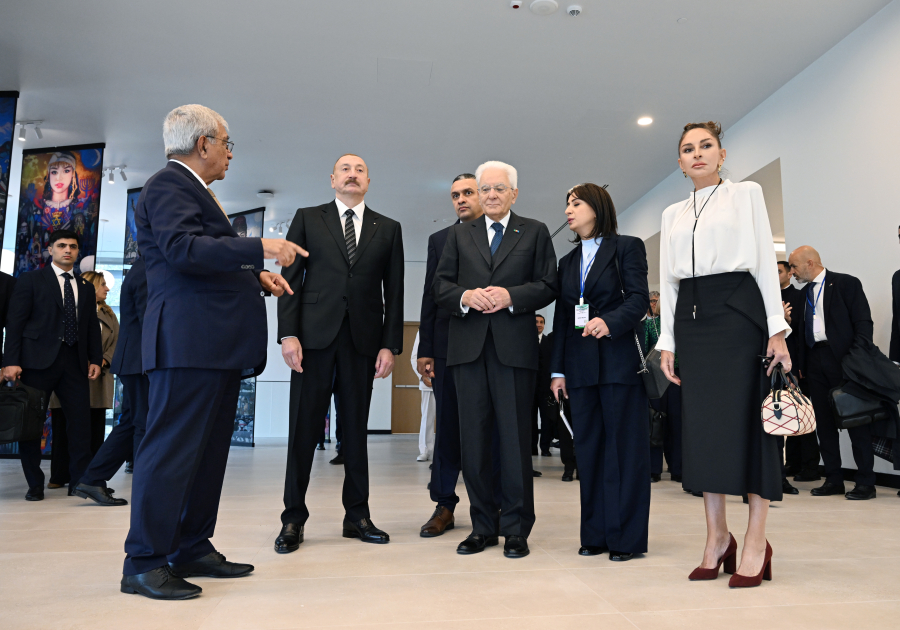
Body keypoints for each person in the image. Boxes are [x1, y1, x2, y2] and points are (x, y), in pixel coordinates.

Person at [122, 104, 303, 600]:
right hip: (187, 344)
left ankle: (191, 547)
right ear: (202, 143)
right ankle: (144, 561)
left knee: (205, 456)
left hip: (212, 346)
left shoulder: (197, 192)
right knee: (171, 453)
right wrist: (258, 249)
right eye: (226, 144)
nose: (229, 155)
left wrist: (253, 276)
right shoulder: (167, 185)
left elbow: (201, 257)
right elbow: (181, 249)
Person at [658, 122, 789, 588]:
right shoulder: (672, 212)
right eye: (688, 149)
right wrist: (666, 341)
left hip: (738, 311)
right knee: (704, 430)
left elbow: (762, 264)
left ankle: (756, 540)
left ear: (721, 153)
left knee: (750, 427)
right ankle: (717, 538)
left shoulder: (747, 194)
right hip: (693, 324)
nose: (697, 154)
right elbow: (668, 283)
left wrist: (777, 329)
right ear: (679, 162)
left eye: (705, 146)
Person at [276, 153, 404, 553]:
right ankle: (293, 519)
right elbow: (289, 279)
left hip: (361, 343)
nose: (352, 174)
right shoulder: (308, 218)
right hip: (312, 342)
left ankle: (358, 516)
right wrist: (287, 335)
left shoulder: (389, 228)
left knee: (355, 433)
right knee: (302, 431)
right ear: (332, 179)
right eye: (345, 169)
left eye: (360, 169)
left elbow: (395, 292)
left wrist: (390, 344)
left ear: (369, 180)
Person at [433, 160, 557, 559]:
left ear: (514, 194)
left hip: (515, 350)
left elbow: (549, 283)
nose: (489, 195)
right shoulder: (459, 234)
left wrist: (512, 296)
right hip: (468, 350)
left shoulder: (534, 231)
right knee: (475, 442)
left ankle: (516, 528)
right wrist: (466, 297)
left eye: (498, 189)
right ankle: (482, 526)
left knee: (516, 439)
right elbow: (441, 286)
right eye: (484, 189)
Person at [550, 183, 650, 562]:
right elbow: (563, 319)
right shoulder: (567, 262)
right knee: (588, 451)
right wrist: (557, 370)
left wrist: (608, 322)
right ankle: (594, 533)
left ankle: (625, 539)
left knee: (623, 454)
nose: (568, 211)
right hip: (579, 368)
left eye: (575, 203)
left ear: (597, 206)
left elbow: (639, 299)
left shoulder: (627, 246)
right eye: (567, 204)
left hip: (619, 363)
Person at [416, 173, 503, 538]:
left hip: (494, 347)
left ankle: (493, 503)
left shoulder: (504, 237)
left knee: (492, 427)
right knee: (449, 426)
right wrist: (426, 351)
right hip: (450, 347)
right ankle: (444, 504)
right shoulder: (441, 239)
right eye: (455, 195)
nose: (462, 200)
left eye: (469, 192)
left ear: (484, 195)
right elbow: (431, 295)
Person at [1, 230, 102, 501]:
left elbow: (92, 326)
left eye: (72, 246)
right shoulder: (31, 280)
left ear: (78, 251)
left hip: (75, 364)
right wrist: (10, 361)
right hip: (36, 363)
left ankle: (79, 482)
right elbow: (15, 324)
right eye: (61, 246)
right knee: (31, 425)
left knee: (80, 427)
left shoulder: (86, 286)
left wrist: (95, 358)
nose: (67, 250)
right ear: (51, 250)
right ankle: (34, 483)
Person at [788, 246, 877, 500]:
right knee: (823, 424)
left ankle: (866, 483)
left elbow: (863, 322)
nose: (792, 272)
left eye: (794, 266)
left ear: (810, 263)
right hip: (815, 362)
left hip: (844, 361)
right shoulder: (804, 293)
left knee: (856, 421)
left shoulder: (846, 283)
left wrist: (856, 359)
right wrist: (800, 366)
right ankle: (834, 479)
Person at [72, 257, 148, 506]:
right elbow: (151, 319)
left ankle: (93, 479)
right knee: (141, 424)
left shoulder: (144, 268)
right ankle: (146, 492)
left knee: (131, 423)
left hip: (136, 361)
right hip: (140, 361)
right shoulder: (146, 269)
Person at [46, 270, 120, 486]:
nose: (107, 289)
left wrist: (102, 360)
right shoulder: (69, 309)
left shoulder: (109, 315)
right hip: (69, 374)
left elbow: (117, 341)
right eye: (103, 284)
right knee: (63, 427)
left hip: (98, 378)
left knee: (95, 429)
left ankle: (90, 477)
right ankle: (59, 476)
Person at [778, 260, 815, 489]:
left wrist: (787, 321)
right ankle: (791, 462)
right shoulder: (766, 296)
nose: (776, 274)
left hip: (794, 360)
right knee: (784, 412)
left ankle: (810, 465)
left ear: (789, 274)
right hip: (773, 362)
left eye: (780, 270)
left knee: (801, 411)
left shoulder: (799, 296)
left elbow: (802, 331)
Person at [644, 291, 683, 485]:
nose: (656, 303)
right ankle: (653, 468)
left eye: (658, 300)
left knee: (676, 423)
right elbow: (643, 350)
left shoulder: (680, 323)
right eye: (653, 301)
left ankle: (677, 468)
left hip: (677, 377)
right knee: (655, 422)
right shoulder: (648, 324)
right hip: (656, 377)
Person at [410, 331, 435, 462]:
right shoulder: (423, 331)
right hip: (428, 381)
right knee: (427, 416)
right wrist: (422, 376)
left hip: (448, 380)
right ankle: (425, 450)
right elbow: (414, 357)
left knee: (450, 417)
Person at [534, 314, 555, 457]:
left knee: (546, 419)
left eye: (542, 322)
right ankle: (531, 448)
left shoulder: (549, 342)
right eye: (536, 322)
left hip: (545, 387)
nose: (539, 324)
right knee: (529, 419)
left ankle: (545, 447)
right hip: (529, 388)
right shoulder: (525, 342)